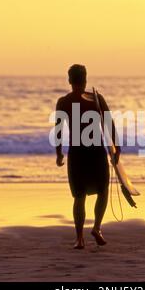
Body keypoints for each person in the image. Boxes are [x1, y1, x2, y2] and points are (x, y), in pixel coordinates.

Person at [55, 64, 120, 249]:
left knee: (79, 196)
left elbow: (58, 131)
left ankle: (79, 238)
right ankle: (97, 228)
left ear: (69, 80)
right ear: (85, 79)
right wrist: (116, 148)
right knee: (103, 190)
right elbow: (109, 124)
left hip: (77, 153)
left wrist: (59, 153)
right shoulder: (96, 99)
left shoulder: (63, 102)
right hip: (96, 151)